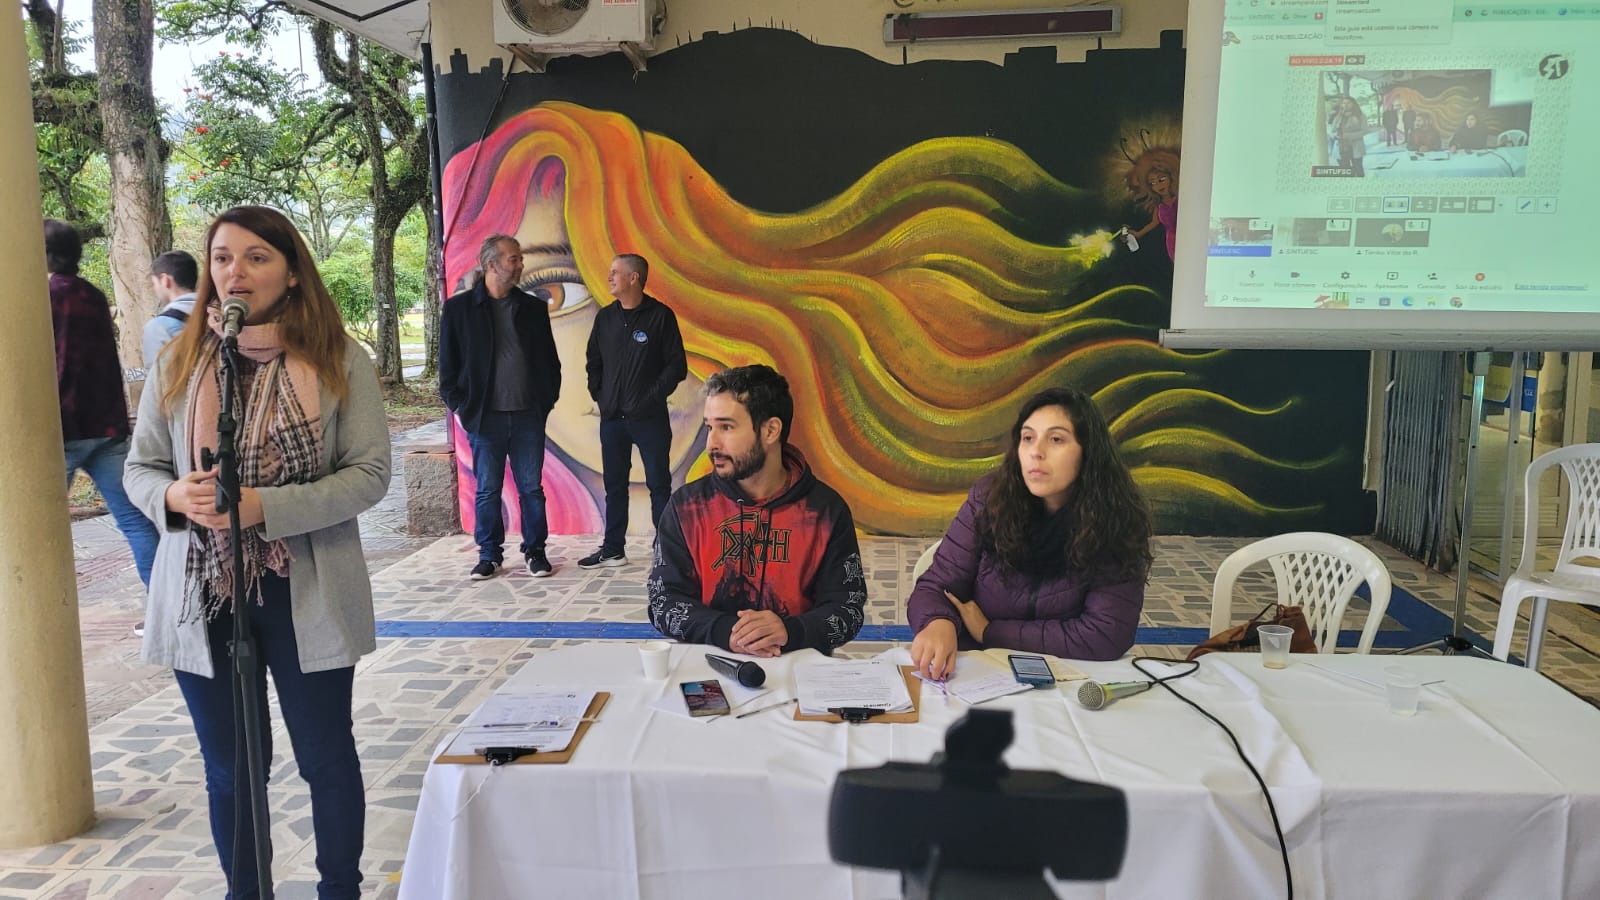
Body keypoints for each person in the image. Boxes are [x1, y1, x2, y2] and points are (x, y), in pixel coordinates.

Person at [123, 205, 390, 899]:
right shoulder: (179, 359)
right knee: (231, 768)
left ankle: (340, 889)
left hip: (305, 584)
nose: (234, 272)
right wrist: (173, 495)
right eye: (221, 258)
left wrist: (264, 507)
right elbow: (140, 467)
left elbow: (369, 474)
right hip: (203, 590)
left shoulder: (339, 360)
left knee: (325, 758)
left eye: (255, 257)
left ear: (292, 272)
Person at [907, 387, 1152, 680]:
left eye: (1056, 439)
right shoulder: (989, 500)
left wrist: (991, 631)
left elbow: (1106, 633)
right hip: (979, 674)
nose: (1036, 452)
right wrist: (938, 622)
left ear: (1088, 451)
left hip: (1068, 680)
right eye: (1027, 438)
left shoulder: (1115, 519)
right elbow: (935, 586)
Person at [648, 365, 867, 656]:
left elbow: (847, 609)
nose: (711, 444)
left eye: (726, 427)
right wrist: (726, 631)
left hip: (798, 666)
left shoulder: (825, 512)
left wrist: (790, 631)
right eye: (710, 427)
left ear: (770, 430)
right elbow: (663, 602)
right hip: (708, 666)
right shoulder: (685, 508)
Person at [44, 219, 159, 593]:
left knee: (34, 528)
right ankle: (172, 608)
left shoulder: (43, 296)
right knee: (135, 521)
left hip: (61, 429)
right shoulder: (92, 295)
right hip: (106, 428)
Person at [439, 234, 563, 580]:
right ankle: (489, 555)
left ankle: (535, 552)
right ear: (491, 264)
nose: (521, 264)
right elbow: (448, 369)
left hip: (527, 418)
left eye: (520, 258)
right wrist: (463, 407)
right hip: (484, 419)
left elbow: (550, 364)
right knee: (487, 490)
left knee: (531, 489)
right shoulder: (459, 310)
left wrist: (544, 403)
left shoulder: (533, 308)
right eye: (514, 258)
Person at [580, 253, 687, 569]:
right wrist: (601, 396)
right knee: (614, 486)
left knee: (658, 485)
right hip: (613, 420)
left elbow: (676, 366)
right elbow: (594, 361)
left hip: (650, 419)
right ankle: (613, 549)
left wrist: (649, 398)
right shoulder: (605, 318)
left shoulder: (660, 317)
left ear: (634, 278)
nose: (609, 277)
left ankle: (665, 551)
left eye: (615, 272)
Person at [142, 250, 199, 367]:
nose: (155, 289)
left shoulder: (158, 327)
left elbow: (157, 376)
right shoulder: (218, 316)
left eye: (154, 283)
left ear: (165, 280)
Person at [1333, 97, 1368, 176]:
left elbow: (1365, 131)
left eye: (1348, 103)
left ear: (1353, 104)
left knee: (1358, 169)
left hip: (1355, 146)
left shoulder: (1361, 116)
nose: (1346, 105)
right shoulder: (1339, 116)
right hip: (1341, 147)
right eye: (1344, 103)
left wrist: (1348, 136)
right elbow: (1332, 130)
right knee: (1345, 171)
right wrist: (1336, 135)